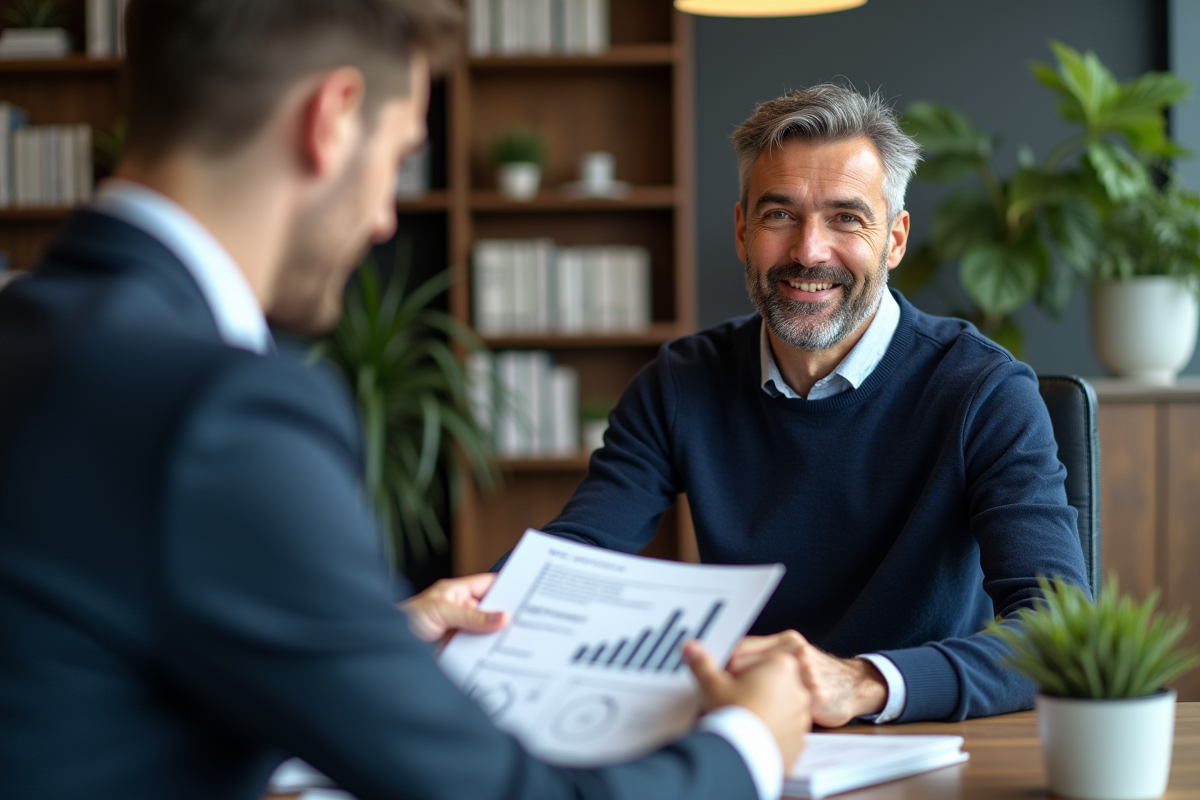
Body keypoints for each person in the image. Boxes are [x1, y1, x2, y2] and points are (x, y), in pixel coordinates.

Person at [0, 2, 811, 799]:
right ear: (333, 117)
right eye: (397, 157)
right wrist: (748, 744)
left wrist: (377, 636)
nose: (385, 220)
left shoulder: (35, 334)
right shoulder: (225, 409)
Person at [528, 84, 1091, 727]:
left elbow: (1057, 630)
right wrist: (469, 605)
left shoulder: (984, 391)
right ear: (742, 231)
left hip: (927, 740)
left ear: (895, 239)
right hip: (747, 738)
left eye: (847, 217)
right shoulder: (678, 384)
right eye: (779, 215)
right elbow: (572, 563)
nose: (809, 251)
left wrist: (861, 682)